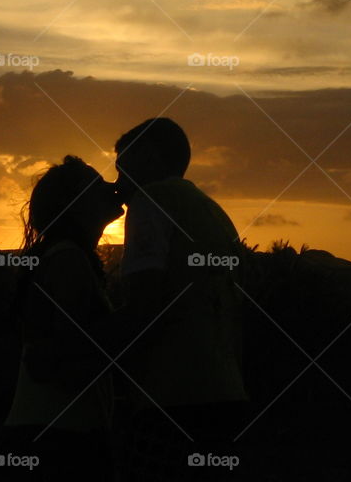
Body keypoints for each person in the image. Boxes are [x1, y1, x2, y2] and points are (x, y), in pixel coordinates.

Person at [112, 118, 248, 480]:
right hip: (227, 392)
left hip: (171, 395)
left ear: (148, 157)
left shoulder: (150, 201)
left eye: (122, 167)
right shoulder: (215, 212)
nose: (118, 183)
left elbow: (143, 304)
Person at [0, 155, 123, 481]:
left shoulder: (63, 256)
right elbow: (67, 362)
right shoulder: (68, 259)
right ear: (76, 204)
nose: (112, 188)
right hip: (57, 441)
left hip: (50, 433)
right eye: (96, 184)